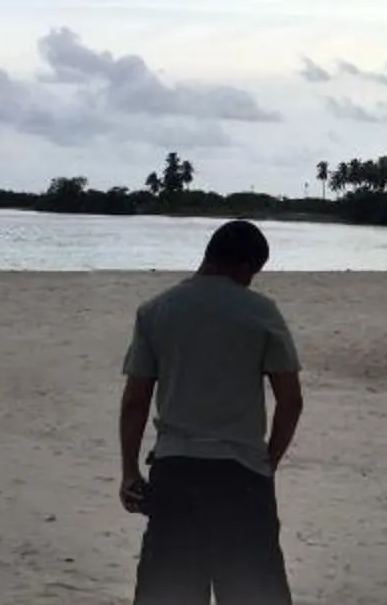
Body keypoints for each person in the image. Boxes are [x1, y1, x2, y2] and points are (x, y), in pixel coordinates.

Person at [118, 220, 303, 604]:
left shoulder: (155, 311)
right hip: (242, 476)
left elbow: (135, 401)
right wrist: (268, 461)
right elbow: (291, 401)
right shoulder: (261, 312)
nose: (250, 281)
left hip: (175, 473)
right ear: (244, 265)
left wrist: (130, 471)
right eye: (253, 272)